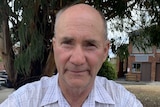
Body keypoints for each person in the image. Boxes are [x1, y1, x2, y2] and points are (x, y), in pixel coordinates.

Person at [0, 3, 143, 107]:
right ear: (54, 47)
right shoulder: (24, 101)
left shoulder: (123, 101)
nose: (77, 59)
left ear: (105, 51)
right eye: (67, 43)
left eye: (90, 45)